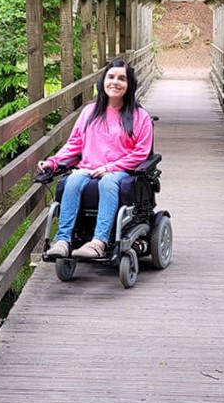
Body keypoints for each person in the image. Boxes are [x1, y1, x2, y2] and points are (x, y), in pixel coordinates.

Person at [38, 60, 153, 259]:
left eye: (121, 78)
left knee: (108, 182)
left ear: (129, 84)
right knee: (72, 181)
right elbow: (74, 144)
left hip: (120, 171)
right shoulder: (89, 112)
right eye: (111, 77)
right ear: (103, 81)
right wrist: (53, 162)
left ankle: (99, 242)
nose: (115, 82)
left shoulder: (139, 116)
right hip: (88, 168)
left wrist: (110, 167)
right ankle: (63, 240)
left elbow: (141, 153)